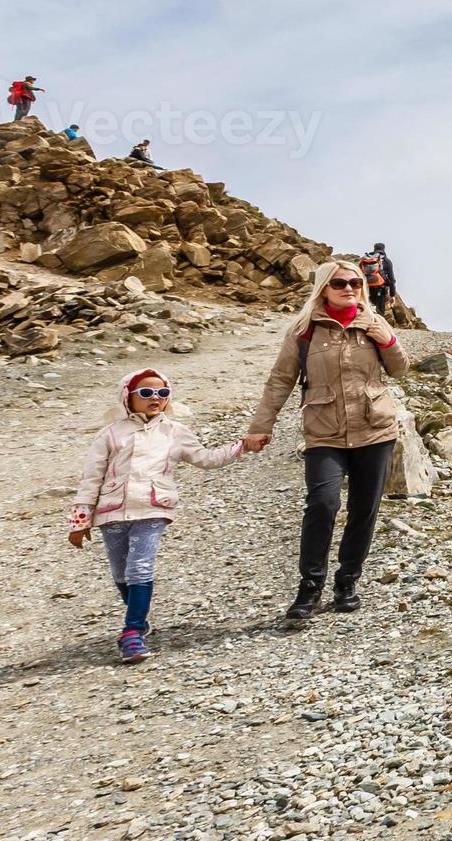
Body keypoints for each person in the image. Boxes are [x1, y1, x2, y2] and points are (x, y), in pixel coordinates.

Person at [242, 262, 409, 620]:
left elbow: (400, 369)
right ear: (323, 288)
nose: (348, 288)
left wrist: (387, 339)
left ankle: (347, 582)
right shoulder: (304, 331)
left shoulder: (374, 322)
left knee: (364, 510)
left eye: (354, 282)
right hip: (324, 431)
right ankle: (310, 588)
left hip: (375, 429)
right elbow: (280, 380)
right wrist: (261, 425)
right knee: (322, 504)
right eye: (339, 283)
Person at [69, 369, 259, 662]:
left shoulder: (175, 432)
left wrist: (239, 447)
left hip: (153, 508)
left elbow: (205, 458)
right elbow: (91, 477)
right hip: (112, 511)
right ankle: (139, 618)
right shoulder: (109, 434)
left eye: (162, 393)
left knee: (139, 568)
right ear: (127, 398)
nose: (155, 399)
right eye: (145, 393)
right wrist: (81, 520)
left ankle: (132, 632)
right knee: (120, 572)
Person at [361, 244, 398, 313]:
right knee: (380, 311)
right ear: (384, 249)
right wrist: (392, 295)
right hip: (380, 289)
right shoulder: (386, 261)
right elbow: (392, 280)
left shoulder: (366, 259)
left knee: (366, 310)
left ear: (374, 249)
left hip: (367, 288)